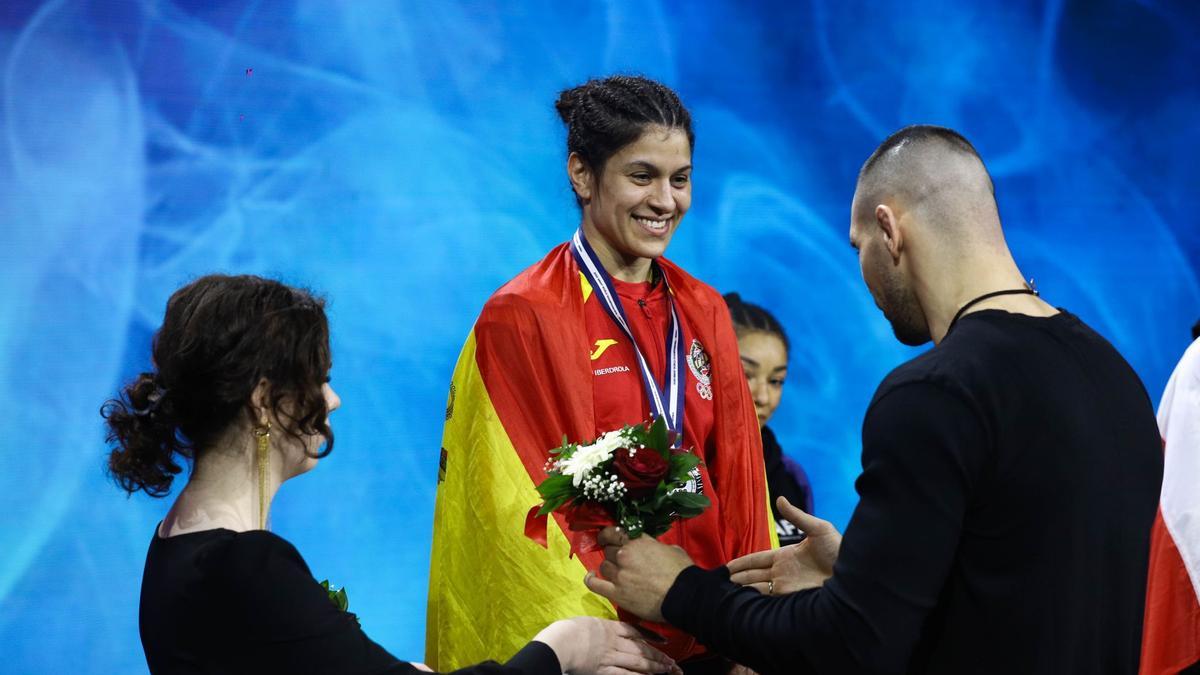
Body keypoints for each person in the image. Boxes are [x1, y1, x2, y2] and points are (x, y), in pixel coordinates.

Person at [585, 125, 1165, 674]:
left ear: (890, 230)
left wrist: (683, 591)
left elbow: (852, 646)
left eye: (859, 246)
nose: (864, 275)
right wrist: (863, 574)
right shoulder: (1115, 376)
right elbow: (1028, 587)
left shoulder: (936, 394)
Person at [104, 274, 677, 675]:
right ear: (262, 400)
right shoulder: (245, 564)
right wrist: (566, 645)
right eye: (318, 379)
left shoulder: (174, 543)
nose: (333, 400)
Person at [426, 76, 775, 673]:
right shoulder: (523, 316)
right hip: (603, 650)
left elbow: (741, 480)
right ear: (582, 175)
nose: (666, 200)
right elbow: (519, 515)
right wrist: (592, 646)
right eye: (642, 176)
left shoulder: (704, 308)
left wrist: (754, 630)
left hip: (709, 634)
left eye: (680, 178)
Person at [724, 292, 813, 545]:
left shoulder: (792, 476)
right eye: (746, 374)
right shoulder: (683, 475)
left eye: (775, 381)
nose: (763, 397)